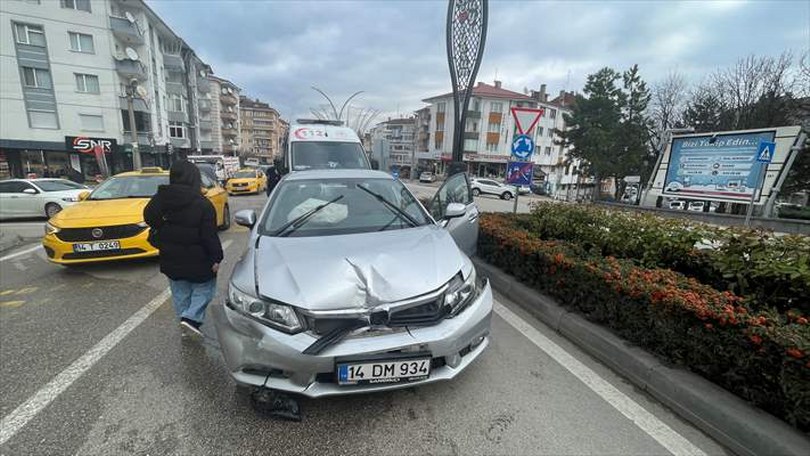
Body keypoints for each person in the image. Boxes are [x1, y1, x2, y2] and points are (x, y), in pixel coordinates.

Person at [144, 160, 223, 337]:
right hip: (199, 258)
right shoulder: (203, 203)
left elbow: (149, 217)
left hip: (171, 256)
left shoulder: (161, 198)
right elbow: (209, 235)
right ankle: (191, 319)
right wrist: (216, 257)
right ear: (195, 178)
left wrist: (166, 228)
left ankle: (185, 323)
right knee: (204, 289)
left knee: (180, 292)